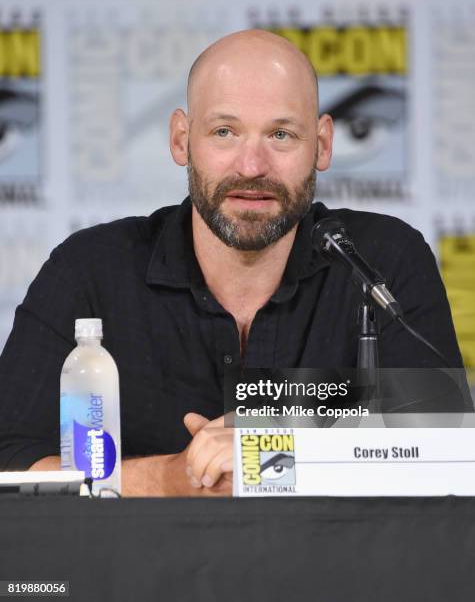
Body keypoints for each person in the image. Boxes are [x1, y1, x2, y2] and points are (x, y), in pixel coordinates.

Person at [0, 30, 463, 496]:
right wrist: (168, 478)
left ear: (322, 145)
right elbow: (9, 459)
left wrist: (272, 459)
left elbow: (446, 456)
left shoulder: (381, 260)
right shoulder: (92, 270)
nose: (251, 166)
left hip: (330, 568)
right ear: (181, 140)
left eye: (281, 134)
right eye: (225, 131)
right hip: (142, 569)